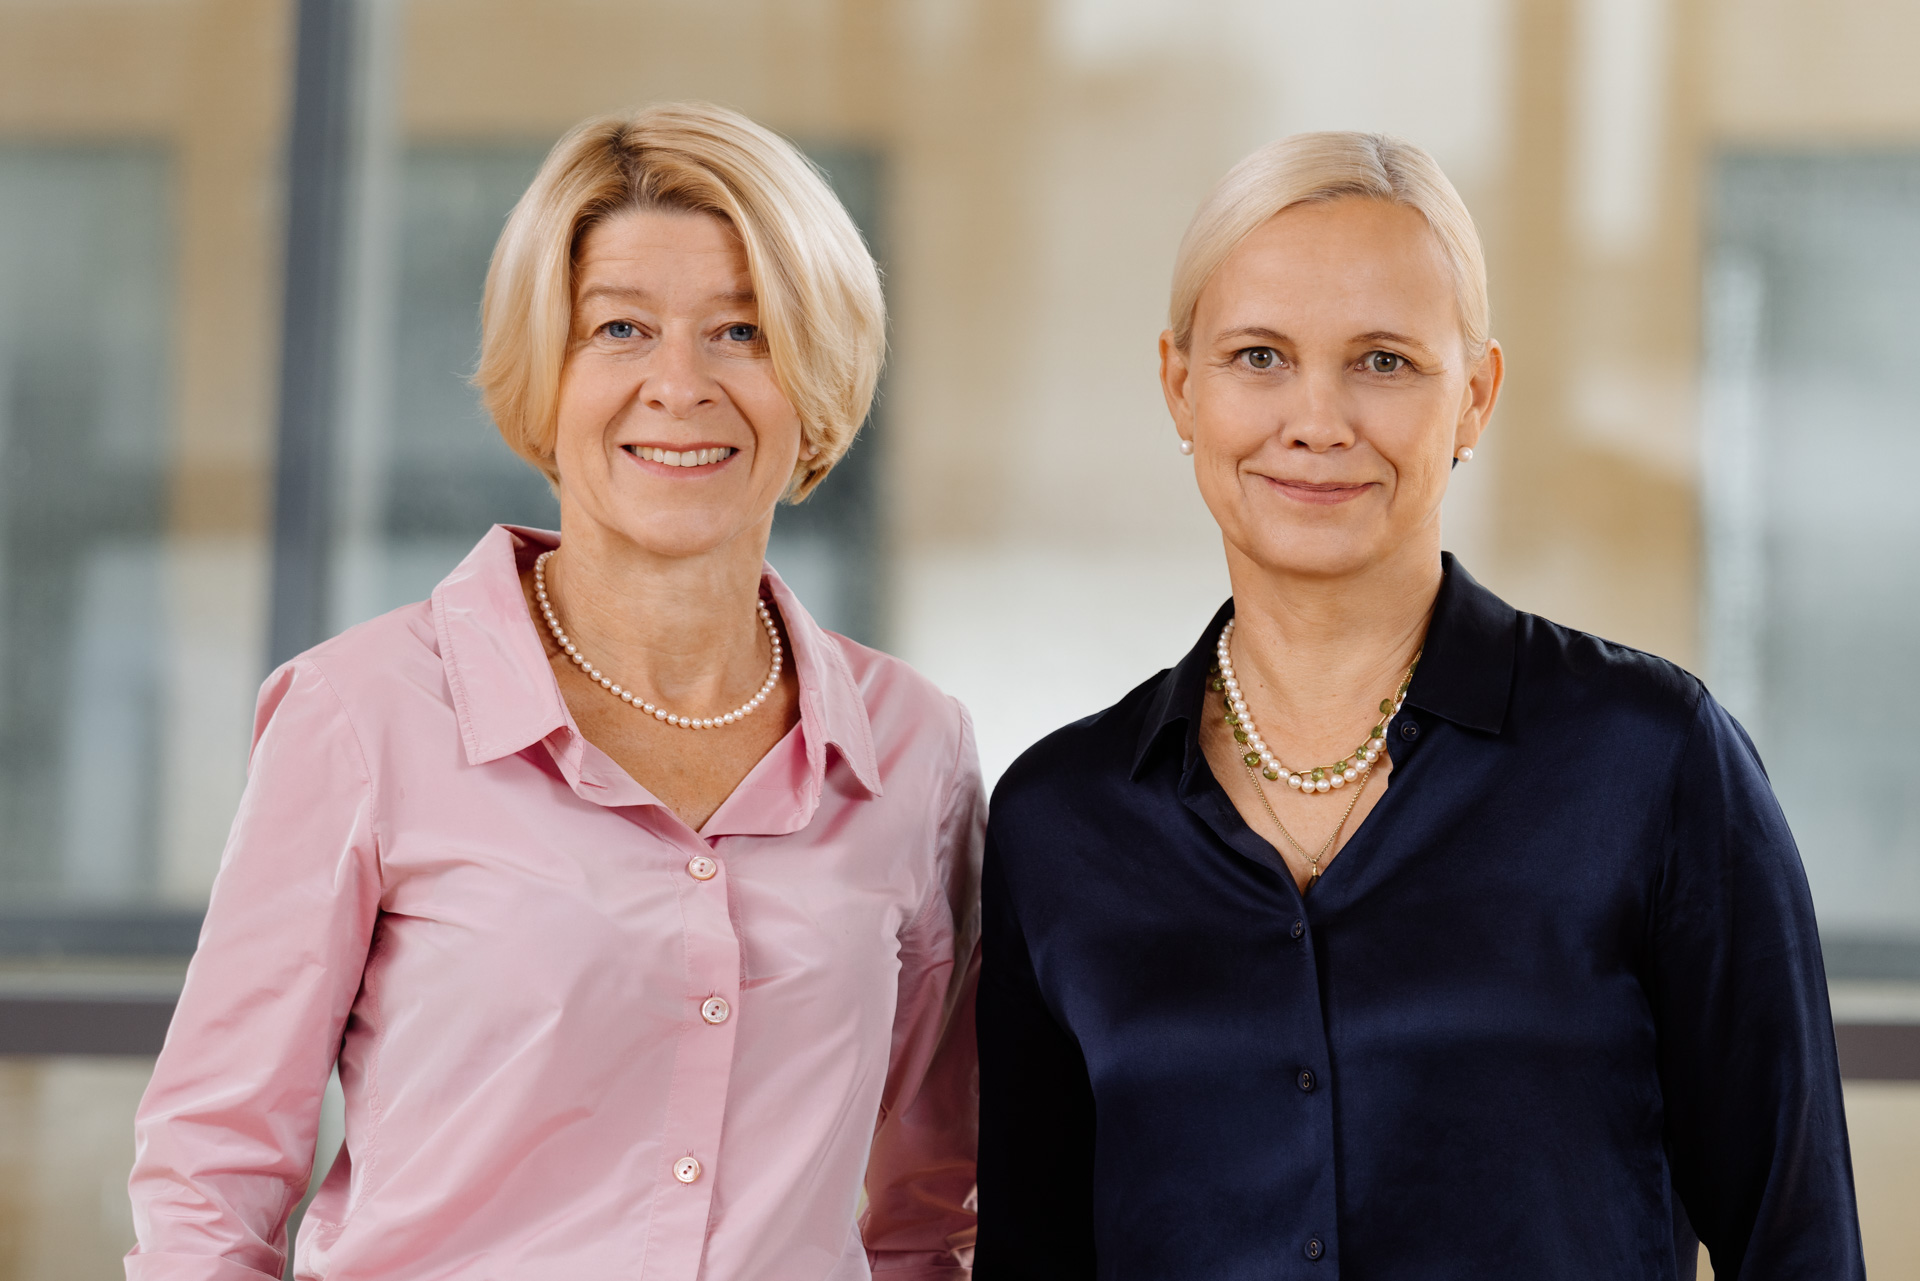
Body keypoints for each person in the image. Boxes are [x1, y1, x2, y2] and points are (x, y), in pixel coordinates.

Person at [974, 132, 1861, 1280]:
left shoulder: (1651, 764)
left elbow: (1794, 1244)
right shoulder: (1061, 819)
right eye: (1258, 356)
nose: (1319, 420)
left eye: (1385, 362)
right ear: (1177, 386)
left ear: (1477, 397)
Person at [128, 103, 981, 1280]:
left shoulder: (915, 747)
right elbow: (207, 1184)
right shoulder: (361, 714)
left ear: (813, 374)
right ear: (549, 368)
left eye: (741, 332)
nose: (678, 386)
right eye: (620, 329)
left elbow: (932, 1205)